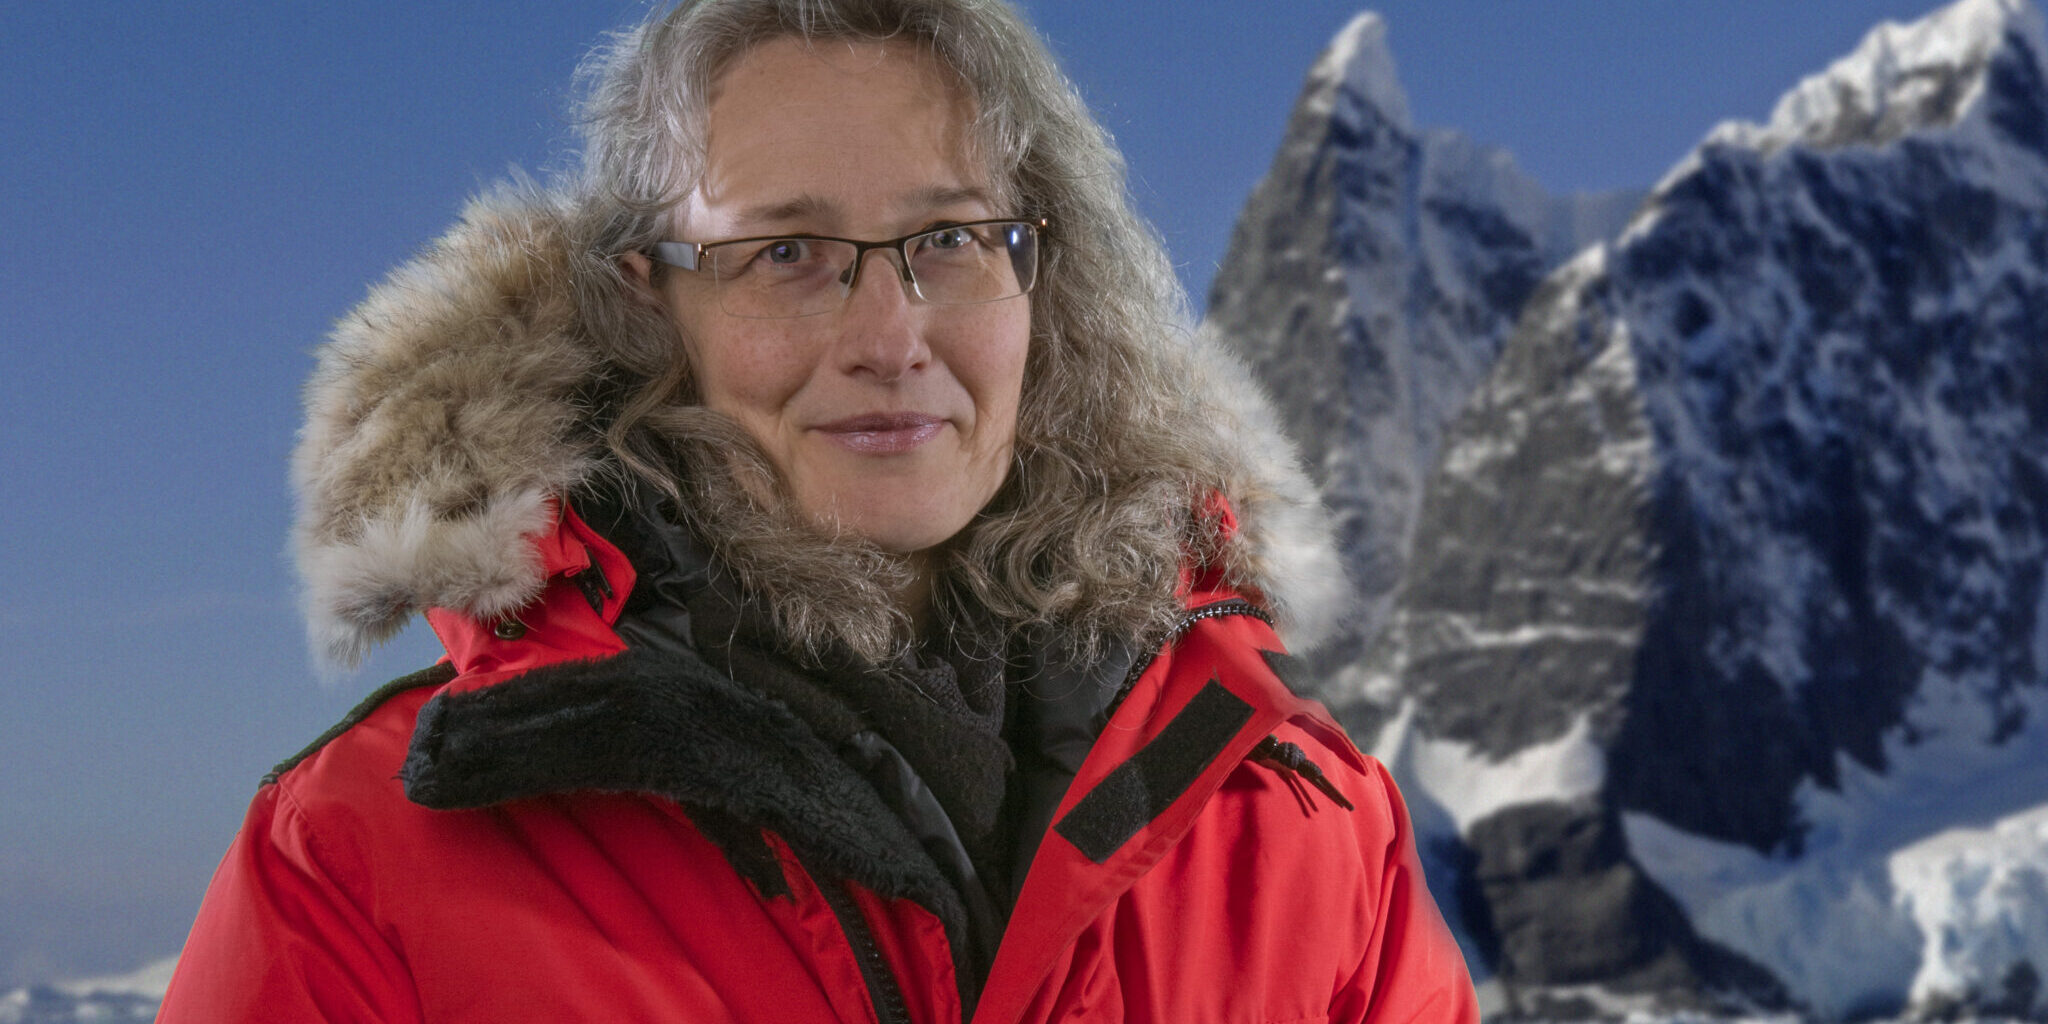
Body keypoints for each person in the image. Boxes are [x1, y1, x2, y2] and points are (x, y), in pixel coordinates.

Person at [159, 0, 1479, 1020]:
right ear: (646, 302)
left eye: (953, 239)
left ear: (1045, 281)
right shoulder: (361, 862)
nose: (889, 334)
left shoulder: (1305, 833)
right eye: (785, 254)